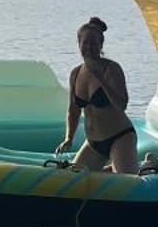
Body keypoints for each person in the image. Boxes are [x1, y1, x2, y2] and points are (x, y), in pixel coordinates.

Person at [58, 16, 140, 174]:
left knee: (124, 181)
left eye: (94, 43)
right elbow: (73, 111)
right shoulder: (75, 74)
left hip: (120, 137)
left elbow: (121, 105)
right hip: (94, 143)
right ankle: (137, 165)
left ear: (101, 45)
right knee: (73, 179)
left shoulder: (112, 69)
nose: (89, 47)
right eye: (85, 43)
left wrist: (100, 77)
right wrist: (69, 138)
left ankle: (149, 166)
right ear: (79, 44)